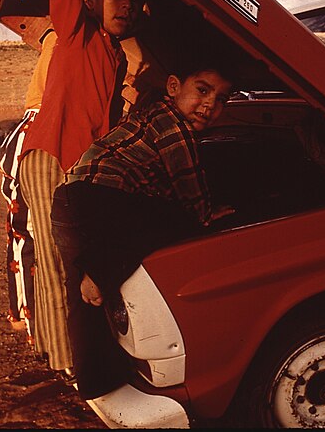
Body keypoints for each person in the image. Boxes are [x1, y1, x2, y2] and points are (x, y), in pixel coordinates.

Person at [16, 0, 149, 378]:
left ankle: (76, 358)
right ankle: (67, 367)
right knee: (59, 270)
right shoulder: (76, 32)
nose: (126, 6)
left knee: (78, 269)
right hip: (52, 157)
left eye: (133, 0)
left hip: (77, 168)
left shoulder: (115, 57)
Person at [50, 63, 236, 402]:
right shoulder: (174, 126)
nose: (210, 105)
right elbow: (188, 189)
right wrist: (208, 213)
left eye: (222, 98)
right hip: (102, 199)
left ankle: (96, 382)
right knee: (176, 220)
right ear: (174, 86)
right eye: (203, 90)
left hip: (70, 200)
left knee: (87, 307)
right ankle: (100, 268)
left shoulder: (151, 113)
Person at [0, 28, 57, 343]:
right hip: (35, 133)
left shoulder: (58, 37)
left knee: (23, 232)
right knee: (26, 234)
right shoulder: (62, 37)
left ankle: (23, 314)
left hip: (33, 132)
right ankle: (25, 316)